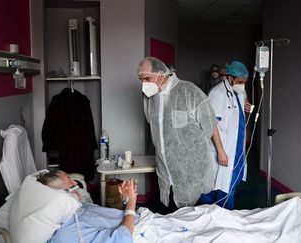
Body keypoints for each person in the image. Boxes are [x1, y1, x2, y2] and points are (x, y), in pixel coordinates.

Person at [138, 57, 216, 213]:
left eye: (147, 79)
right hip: (165, 172)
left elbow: (209, 125)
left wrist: (189, 150)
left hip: (191, 171)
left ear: (161, 74)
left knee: (191, 222)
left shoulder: (189, 91)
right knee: (170, 218)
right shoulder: (150, 98)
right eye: (141, 80)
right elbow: (154, 126)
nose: (144, 84)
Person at [199, 61, 252, 209]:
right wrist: (221, 152)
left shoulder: (240, 91)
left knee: (229, 184)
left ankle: (222, 218)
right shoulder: (217, 94)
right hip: (221, 149)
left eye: (244, 83)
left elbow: (240, 108)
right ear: (229, 78)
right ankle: (215, 218)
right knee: (215, 188)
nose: (243, 85)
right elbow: (212, 124)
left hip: (236, 149)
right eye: (240, 82)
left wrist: (247, 106)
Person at [38, 170, 138, 242]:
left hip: (136, 220)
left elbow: (111, 219)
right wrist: (132, 200)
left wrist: (125, 200)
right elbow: (123, 238)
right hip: (139, 231)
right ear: (61, 195)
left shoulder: (78, 207)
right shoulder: (67, 233)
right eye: (69, 180)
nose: (75, 182)